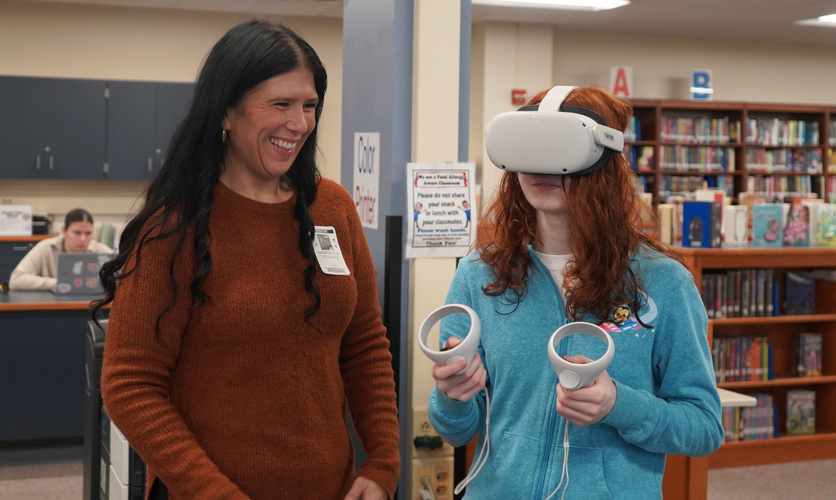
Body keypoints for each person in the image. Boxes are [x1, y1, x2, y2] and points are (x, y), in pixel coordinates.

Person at [92, 18, 399, 500]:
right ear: (226, 113)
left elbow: (364, 345)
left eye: (309, 105)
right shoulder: (173, 227)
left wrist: (382, 462)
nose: (300, 123)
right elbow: (130, 385)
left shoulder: (333, 208)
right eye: (280, 104)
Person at [427, 86, 723, 499]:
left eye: (560, 147)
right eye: (530, 147)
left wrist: (618, 405)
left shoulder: (662, 282)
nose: (542, 166)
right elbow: (456, 431)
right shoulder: (480, 275)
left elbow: (704, 427)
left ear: (604, 160)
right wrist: (452, 397)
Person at [9, 208, 113, 291]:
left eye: (88, 233)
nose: (83, 239)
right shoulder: (45, 247)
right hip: (53, 306)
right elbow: (16, 280)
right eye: (77, 233)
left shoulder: (101, 251)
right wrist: (57, 284)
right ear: (64, 231)